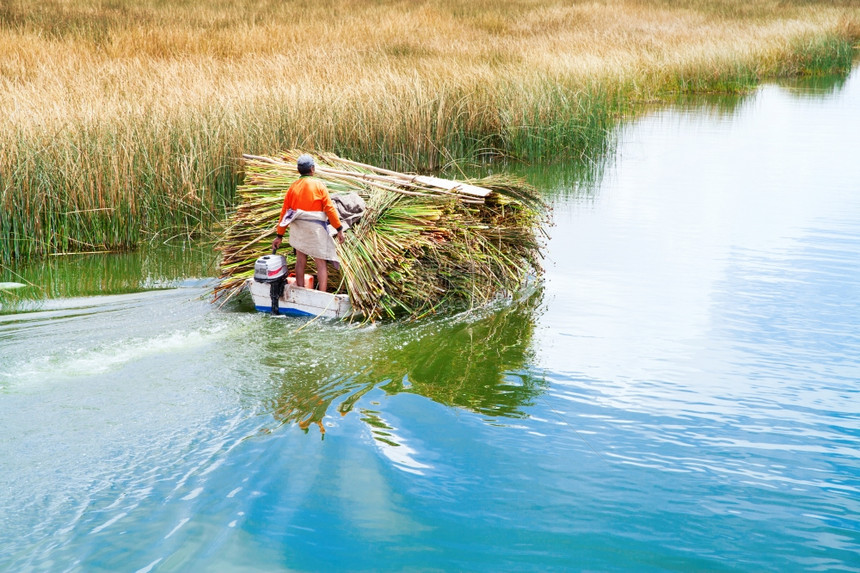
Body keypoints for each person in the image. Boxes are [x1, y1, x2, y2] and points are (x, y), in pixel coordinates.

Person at [272, 154, 345, 291]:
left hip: (298, 228)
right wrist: (339, 228)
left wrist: (279, 236)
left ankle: (300, 289)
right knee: (320, 261)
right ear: (312, 169)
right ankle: (322, 293)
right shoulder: (319, 185)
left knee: (300, 260)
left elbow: (284, 213)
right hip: (315, 228)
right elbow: (329, 208)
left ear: (298, 170)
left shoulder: (292, 188)